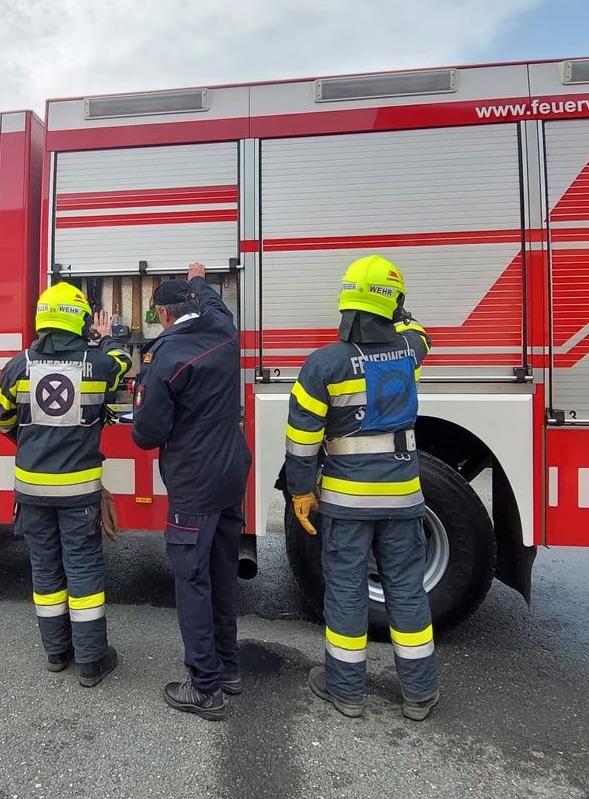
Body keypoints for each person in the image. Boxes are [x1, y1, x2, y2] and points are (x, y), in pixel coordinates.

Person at [284, 254, 439, 720]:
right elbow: (421, 334)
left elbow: (302, 438)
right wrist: (402, 313)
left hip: (347, 503)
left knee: (347, 591)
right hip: (404, 498)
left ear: (345, 304)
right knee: (408, 589)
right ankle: (419, 694)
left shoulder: (324, 364)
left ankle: (345, 691)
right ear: (393, 304)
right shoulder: (410, 353)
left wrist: (301, 492)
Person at [0, 282, 131, 687]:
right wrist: (106, 339)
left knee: (45, 568)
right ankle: (91, 662)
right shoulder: (100, 363)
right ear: (81, 321)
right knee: (83, 569)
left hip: (31, 490)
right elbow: (122, 363)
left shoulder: (17, 366)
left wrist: (32, 440)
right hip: (78, 493)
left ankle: (56, 653)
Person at [132, 262, 252, 721]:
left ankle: (205, 687)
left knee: (193, 581)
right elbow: (215, 303)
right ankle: (229, 669)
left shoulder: (166, 357)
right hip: (229, 476)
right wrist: (199, 279)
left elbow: (146, 434)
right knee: (221, 573)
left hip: (195, 485)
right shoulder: (224, 330)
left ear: (163, 315)